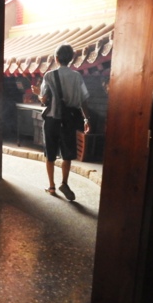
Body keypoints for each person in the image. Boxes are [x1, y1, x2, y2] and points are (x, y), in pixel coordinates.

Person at [31, 44, 91, 201]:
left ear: (56, 58)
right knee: (67, 154)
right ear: (71, 59)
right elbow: (84, 100)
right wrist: (86, 119)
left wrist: (37, 93)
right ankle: (64, 183)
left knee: (50, 154)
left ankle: (51, 186)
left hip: (52, 120)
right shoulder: (77, 77)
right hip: (69, 119)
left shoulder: (49, 76)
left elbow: (44, 99)